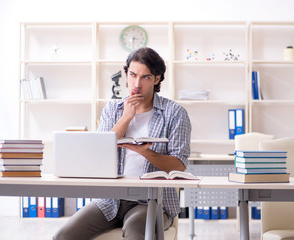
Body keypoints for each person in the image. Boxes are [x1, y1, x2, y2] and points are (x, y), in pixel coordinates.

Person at [53, 47, 191, 240]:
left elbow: (179, 166)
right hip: (111, 200)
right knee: (63, 236)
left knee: (135, 231)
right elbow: (99, 153)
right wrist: (126, 117)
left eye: (145, 77)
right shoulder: (113, 109)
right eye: (133, 75)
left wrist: (145, 152)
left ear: (157, 79)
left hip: (152, 201)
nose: (136, 83)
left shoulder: (175, 113)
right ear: (126, 73)